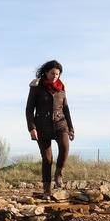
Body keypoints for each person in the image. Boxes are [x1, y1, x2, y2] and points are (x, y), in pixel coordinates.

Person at [25, 60, 74, 196]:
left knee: (65, 148)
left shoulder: (61, 88)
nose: (55, 76)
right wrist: (31, 128)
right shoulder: (36, 87)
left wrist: (71, 128)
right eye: (52, 73)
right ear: (46, 72)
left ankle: (58, 173)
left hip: (60, 124)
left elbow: (66, 109)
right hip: (42, 126)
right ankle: (47, 190)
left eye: (57, 74)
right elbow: (29, 109)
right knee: (47, 159)